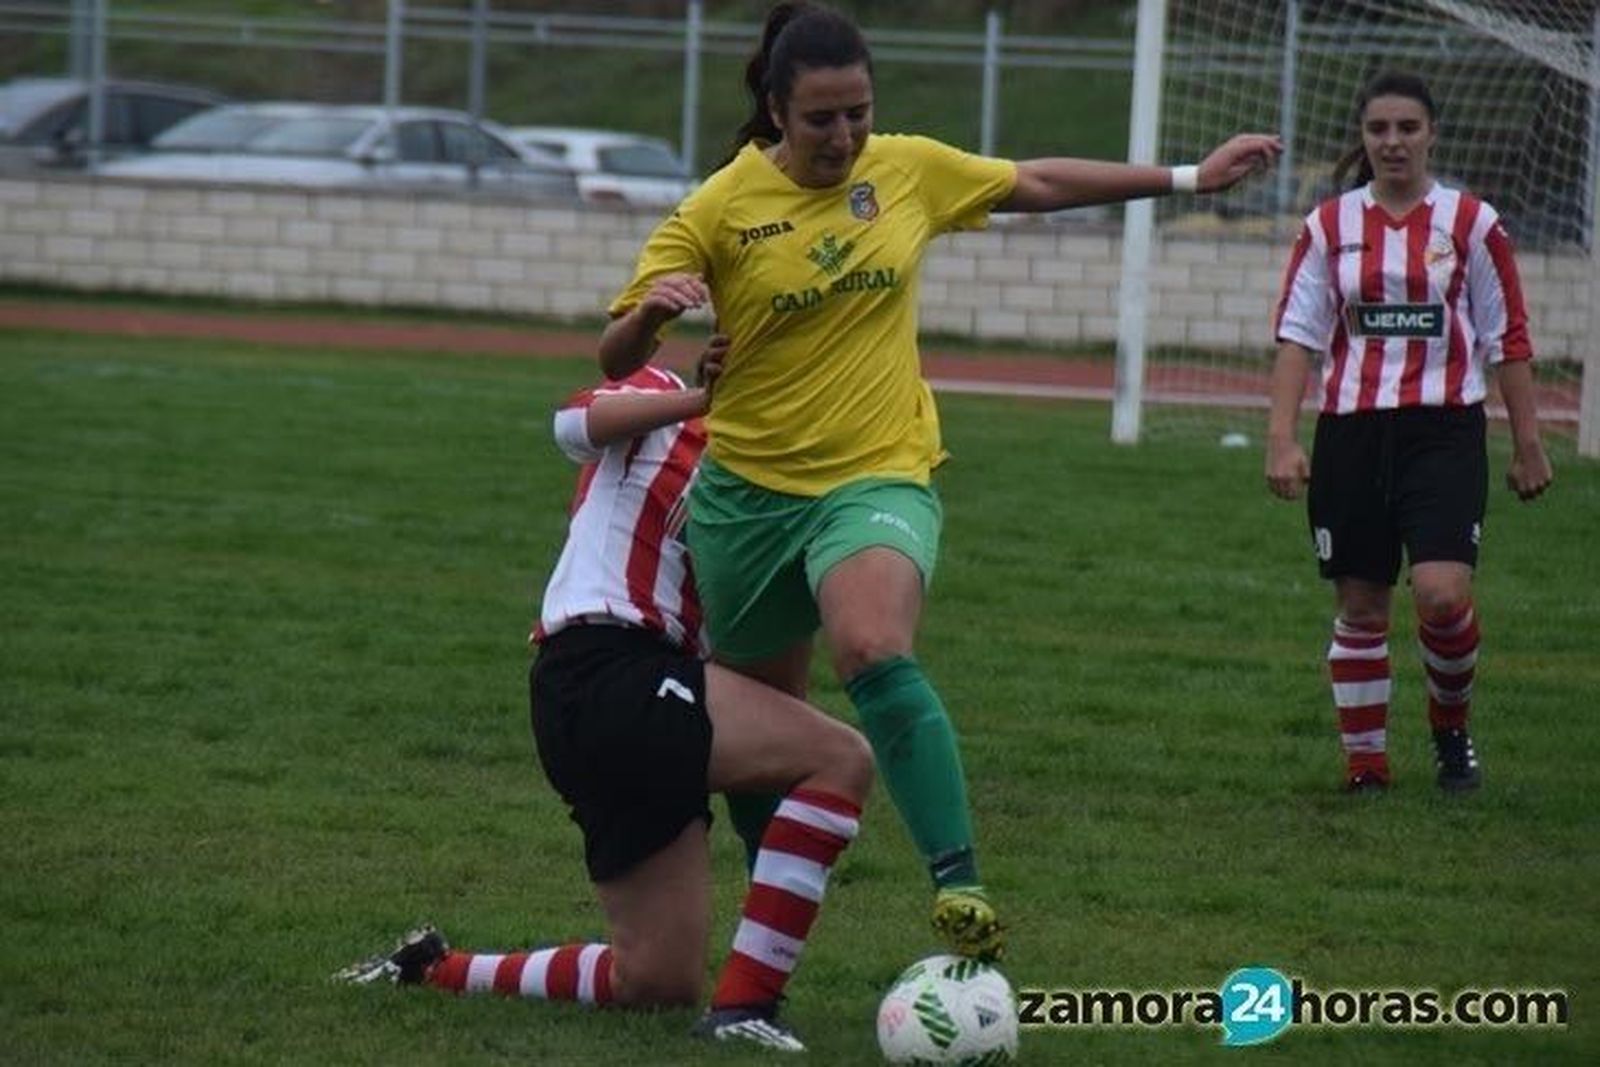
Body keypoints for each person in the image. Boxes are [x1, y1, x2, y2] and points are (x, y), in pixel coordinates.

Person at [597, 0, 1282, 961]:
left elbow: (1033, 180)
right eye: (822, 119)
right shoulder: (718, 209)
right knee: (768, 727)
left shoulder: (905, 169)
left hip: (880, 469)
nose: (844, 137)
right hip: (747, 495)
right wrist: (650, 319)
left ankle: (959, 885)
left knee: (873, 646)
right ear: (776, 111)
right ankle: (773, 928)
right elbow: (614, 344)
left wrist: (1187, 176)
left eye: (858, 114)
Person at [336, 339, 876, 1054]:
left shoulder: (782, 473)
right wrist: (699, 399)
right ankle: (748, 1007)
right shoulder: (663, 399)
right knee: (842, 757)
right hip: (606, 667)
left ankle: (432, 968)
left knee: (654, 979)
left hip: (621, 701)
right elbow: (570, 426)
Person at [1265, 71, 1552, 794]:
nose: (1393, 142)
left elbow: (1506, 338)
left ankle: (1450, 727)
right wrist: (1282, 438)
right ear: (1363, 138)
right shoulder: (1328, 226)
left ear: (1432, 134)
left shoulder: (1472, 224)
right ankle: (1366, 768)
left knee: (1441, 594)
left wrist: (1528, 442)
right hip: (1352, 434)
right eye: (1379, 129)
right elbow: (1298, 335)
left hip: (1444, 431)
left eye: (1407, 128)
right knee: (1361, 606)